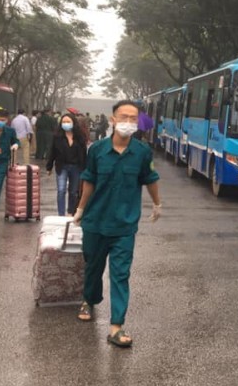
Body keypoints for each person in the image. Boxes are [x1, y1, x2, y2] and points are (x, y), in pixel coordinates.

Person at [73, 100, 161, 348]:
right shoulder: (97, 150)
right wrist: (80, 209)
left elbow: (150, 178)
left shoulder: (143, 152)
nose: (129, 122)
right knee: (93, 266)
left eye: (134, 118)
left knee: (121, 274)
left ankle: (116, 326)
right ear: (112, 120)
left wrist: (157, 203)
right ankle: (89, 300)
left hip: (124, 225)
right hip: (95, 222)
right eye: (124, 117)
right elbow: (89, 180)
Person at [46, 113, 87, 216]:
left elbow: (84, 154)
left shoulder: (80, 137)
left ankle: (70, 212)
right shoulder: (57, 137)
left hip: (76, 167)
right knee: (61, 190)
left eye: (68, 121)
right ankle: (61, 214)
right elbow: (52, 152)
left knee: (73, 191)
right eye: (64, 122)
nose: (66, 124)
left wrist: (85, 168)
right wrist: (49, 166)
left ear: (73, 123)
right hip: (62, 166)